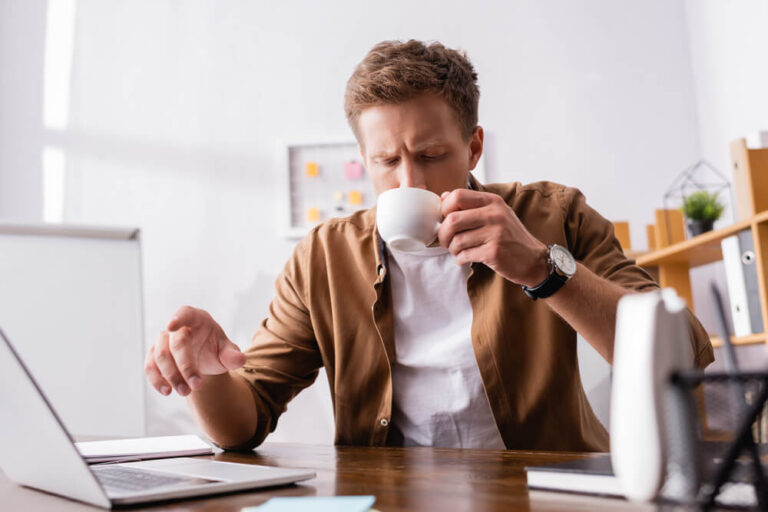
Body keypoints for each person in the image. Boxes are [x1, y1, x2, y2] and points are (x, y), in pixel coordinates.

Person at [144, 40, 714, 452]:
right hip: (391, 495)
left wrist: (542, 269)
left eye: (431, 155)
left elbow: (682, 351)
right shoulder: (323, 258)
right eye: (386, 161)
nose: (409, 181)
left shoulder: (552, 214)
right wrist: (207, 375)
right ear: (363, 161)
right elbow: (246, 422)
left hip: (542, 492)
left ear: (474, 147)